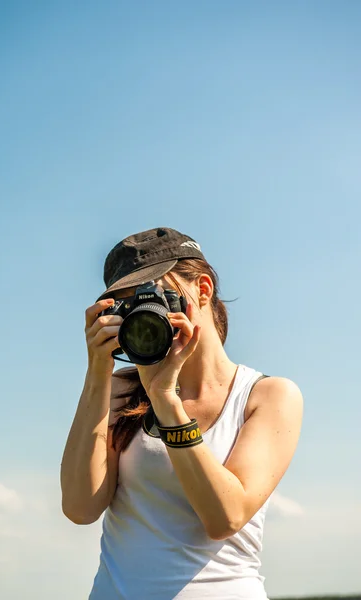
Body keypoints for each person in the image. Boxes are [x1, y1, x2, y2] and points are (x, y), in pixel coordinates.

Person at [60, 227, 303, 600]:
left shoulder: (267, 396)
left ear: (202, 290)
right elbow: (80, 507)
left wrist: (165, 400)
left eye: (154, 295)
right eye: (128, 304)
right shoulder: (119, 390)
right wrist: (97, 374)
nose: (144, 311)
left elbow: (225, 517)